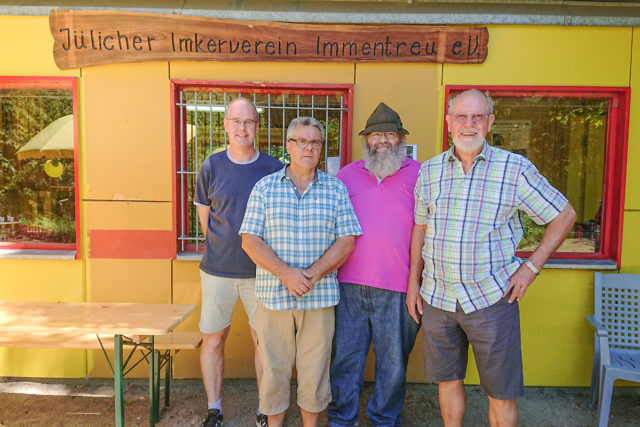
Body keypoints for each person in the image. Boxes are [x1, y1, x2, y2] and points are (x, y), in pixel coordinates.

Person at [406, 88, 577, 427]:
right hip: (438, 298)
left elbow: (564, 214)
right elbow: (420, 230)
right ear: (448, 121)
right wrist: (414, 283)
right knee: (447, 380)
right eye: (461, 117)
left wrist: (530, 268)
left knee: (500, 391)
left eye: (477, 117)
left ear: (490, 121)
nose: (468, 124)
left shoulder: (514, 169)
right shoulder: (429, 171)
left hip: (491, 299)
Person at [240, 116, 362, 427]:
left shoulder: (335, 189)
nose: (309, 147)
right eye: (302, 141)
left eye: (315, 142)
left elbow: (347, 239)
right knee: (274, 371)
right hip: (273, 298)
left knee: (316, 372)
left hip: (318, 298)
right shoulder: (265, 188)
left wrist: (313, 273)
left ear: (321, 148)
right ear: (289, 146)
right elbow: (250, 240)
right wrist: (286, 273)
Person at [327, 103, 421, 427]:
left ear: (401, 139)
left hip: (398, 288)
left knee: (393, 364)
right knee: (344, 360)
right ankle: (342, 419)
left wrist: (417, 284)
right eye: (376, 134)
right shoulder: (346, 175)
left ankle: (384, 419)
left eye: (390, 134)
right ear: (366, 140)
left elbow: (429, 232)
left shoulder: (421, 175)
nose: (383, 140)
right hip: (348, 286)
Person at [194, 97, 283, 427]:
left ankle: (264, 407)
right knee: (214, 339)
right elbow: (206, 217)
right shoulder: (211, 165)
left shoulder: (274, 168)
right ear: (226, 125)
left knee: (264, 342)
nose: (242, 128)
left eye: (249, 122)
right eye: (236, 121)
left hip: (262, 273)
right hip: (217, 271)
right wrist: (224, 247)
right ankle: (213, 409)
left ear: (257, 127)